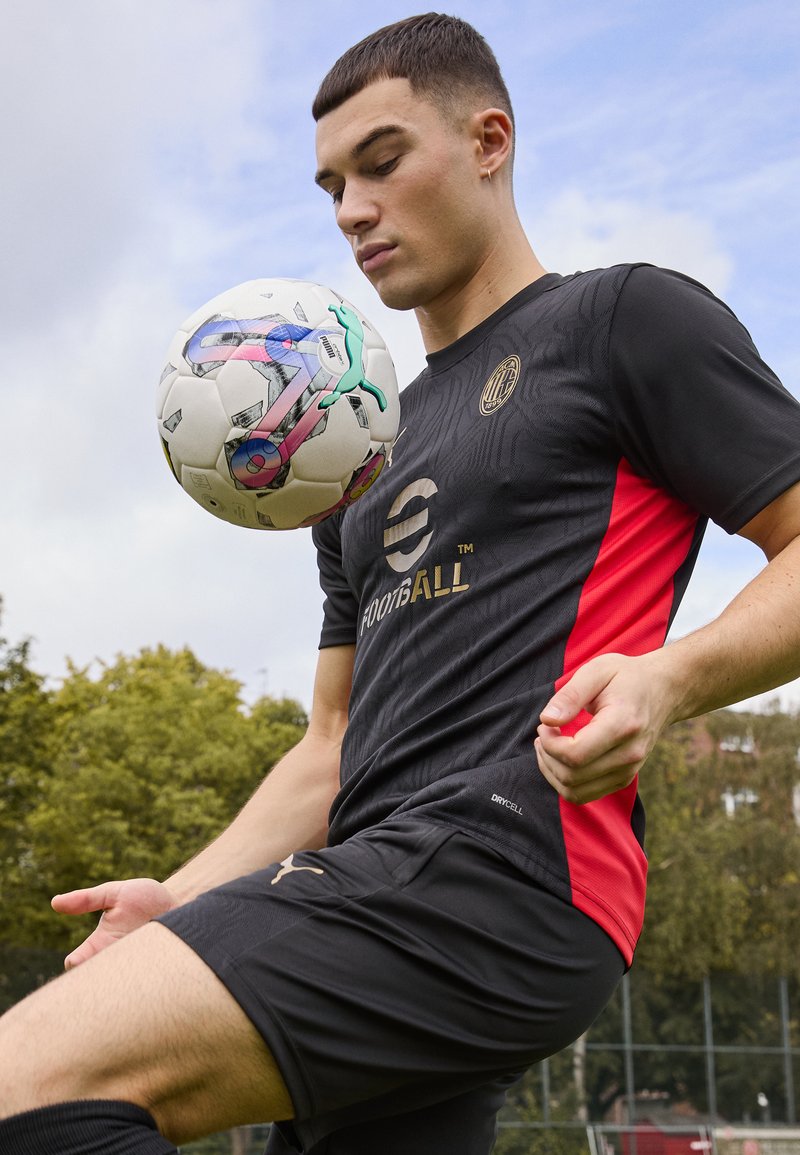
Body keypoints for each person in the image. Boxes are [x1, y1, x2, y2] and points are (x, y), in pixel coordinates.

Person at [1, 12, 799, 1154]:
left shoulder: (620, 321)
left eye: (380, 163)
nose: (350, 210)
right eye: (330, 185)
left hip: (507, 865)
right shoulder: (357, 447)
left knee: (22, 1084)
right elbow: (330, 746)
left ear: (488, 141)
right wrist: (184, 893)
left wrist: (668, 680)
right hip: (370, 883)